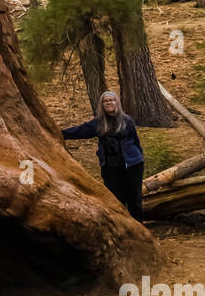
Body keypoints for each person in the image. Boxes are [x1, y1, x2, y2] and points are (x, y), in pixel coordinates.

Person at [62, 90, 145, 223]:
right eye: (106, 101)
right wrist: (60, 133)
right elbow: (79, 131)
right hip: (110, 167)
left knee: (134, 199)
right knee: (116, 199)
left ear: (117, 102)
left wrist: (139, 158)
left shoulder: (126, 120)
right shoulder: (98, 123)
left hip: (132, 165)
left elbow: (136, 141)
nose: (109, 103)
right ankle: (123, 227)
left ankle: (140, 228)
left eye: (112, 100)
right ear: (102, 105)